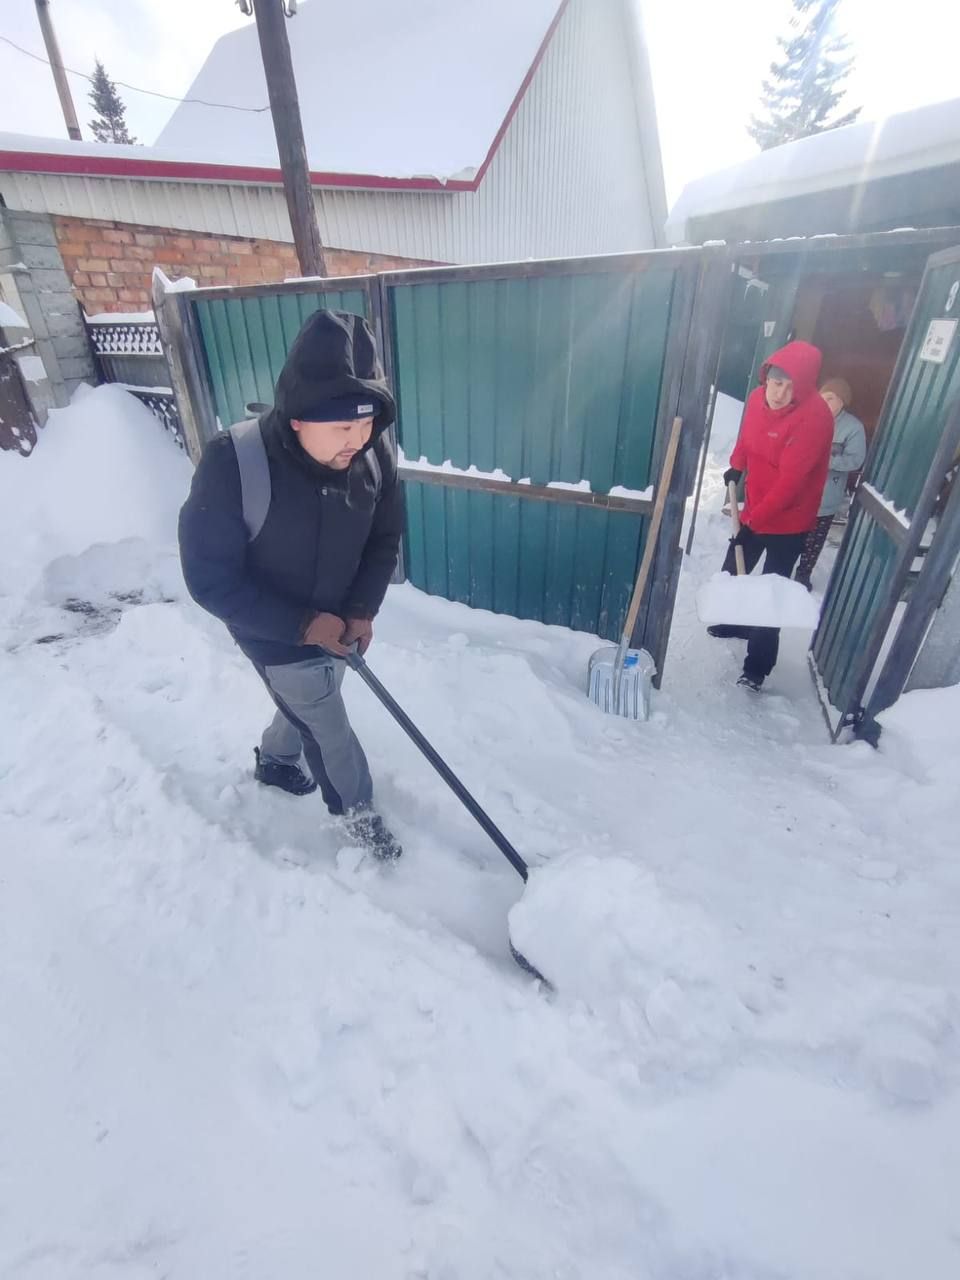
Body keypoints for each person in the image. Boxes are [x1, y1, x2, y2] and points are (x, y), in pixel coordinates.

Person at [178, 309, 404, 860]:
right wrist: (302, 625)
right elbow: (209, 578)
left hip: (336, 622)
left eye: (367, 422)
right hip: (269, 627)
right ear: (299, 417)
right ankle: (358, 817)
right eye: (342, 427)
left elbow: (384, 538)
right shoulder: (235, 462)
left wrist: (360, 609)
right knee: (328, 727)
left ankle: (277, 763)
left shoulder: (374, 456)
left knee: (310, 696)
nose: (359, 439)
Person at [709, 340, 834, 691]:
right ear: (767, 379)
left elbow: (791, 484)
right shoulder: (756, 398)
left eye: (791, 386)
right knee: (734, 570)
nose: (780, 394)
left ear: (805, 387)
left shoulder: (815, 418)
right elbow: (747, 438)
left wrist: (751, 524)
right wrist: (736, 467)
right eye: (776, 383)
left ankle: (757, 666)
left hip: (789, 520)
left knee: (770, 592)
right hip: (757, 506)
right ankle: (736, 621)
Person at [794, 378, 866, 590]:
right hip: (798, 492)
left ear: (842, 401)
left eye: (830, 398)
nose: (824, 402)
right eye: (822, 397)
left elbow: (856, 460)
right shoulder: (807, 418)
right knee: (791, 535)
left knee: (814, 541)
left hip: (826, 495)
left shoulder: (853, 428)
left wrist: (826, 460)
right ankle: (782, 569)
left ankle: (803, 574)